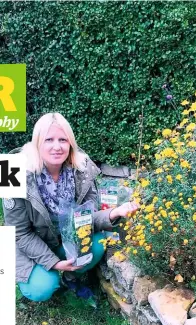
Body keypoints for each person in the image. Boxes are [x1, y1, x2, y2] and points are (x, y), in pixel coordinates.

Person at [3, 112, 139, 302]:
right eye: (48, 139)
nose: (57, 147)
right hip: (33, 244)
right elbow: (19, 234)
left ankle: (70, 277)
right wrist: (54, 263)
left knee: (98, 243)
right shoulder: (13, 172)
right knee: (41, 288)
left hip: (67, 238)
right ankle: (49, 278)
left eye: (63, 140)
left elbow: (87, 217)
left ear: (70, 144)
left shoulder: (82, 170)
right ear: (37, 142)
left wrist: (114, 212)